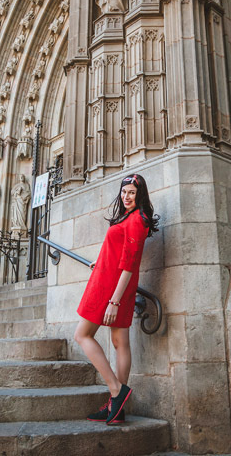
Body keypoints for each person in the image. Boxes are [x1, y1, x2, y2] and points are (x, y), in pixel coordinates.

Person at [74, 174, 159, 425]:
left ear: (140, 194)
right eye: (124, 192)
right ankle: (117, 408)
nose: (126, 196)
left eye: (132, 192)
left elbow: (130, 264)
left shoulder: (137, 219)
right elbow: (118, 250)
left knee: (82, 335)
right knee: (120, 342)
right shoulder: (127, 217)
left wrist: (114, 301)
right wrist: (101, 261)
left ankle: (116, 390)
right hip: (110, 280)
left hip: (111, 287)